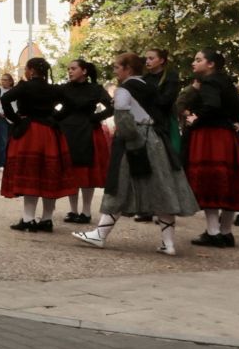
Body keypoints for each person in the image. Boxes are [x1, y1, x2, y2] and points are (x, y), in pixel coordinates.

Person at [75, 53, 200, 254]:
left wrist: (130, 141)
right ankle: (168, 244)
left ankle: (100, 234)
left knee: (120, 186)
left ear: (128, 69)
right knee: (162, 188)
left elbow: (123, 119)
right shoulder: (148, 85)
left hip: (134, 142)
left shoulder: (124, 89)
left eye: (117, 67)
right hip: (156, 141)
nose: (115, 71)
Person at [182, 49, 239, 248]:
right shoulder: (227, 83)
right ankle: (226, 232)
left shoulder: (209, 82)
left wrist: (196, 118)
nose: (194, 63)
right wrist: (238, 124)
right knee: (228, 183)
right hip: (227, 136)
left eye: (198, 60)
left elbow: (212, 105)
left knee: (210, 181)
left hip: (210, 136)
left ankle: (213, 232)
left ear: (211, 64)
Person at [1, 57, 71, 231]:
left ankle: (28, 218)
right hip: (49, 132)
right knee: (48, 175)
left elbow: (5, 100)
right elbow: (70, 104)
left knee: (29, 173)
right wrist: (55, 118)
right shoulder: (53, 88)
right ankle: (47, 219)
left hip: (29, 132)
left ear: (31, 70)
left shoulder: (24, 86)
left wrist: (16, 119)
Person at [56, 59, 113, 224]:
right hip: (68, 131)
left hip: (87, 131)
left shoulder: (95, 88)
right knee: (71, 171)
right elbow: (51, 105)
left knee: (86, 172)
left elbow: (111, 107)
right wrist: (58, 118)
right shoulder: (64, 88)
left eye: (73, 68)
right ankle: (73, 210)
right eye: (68, 69)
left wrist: (95, 118)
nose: (70, 71)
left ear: (84, 71)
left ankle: (86, 211)